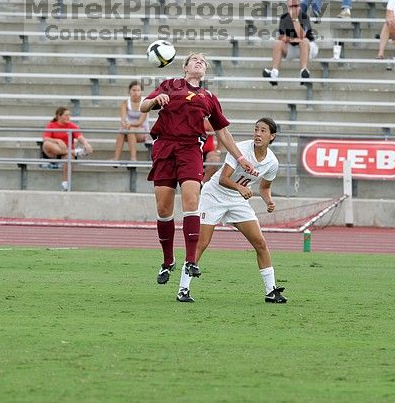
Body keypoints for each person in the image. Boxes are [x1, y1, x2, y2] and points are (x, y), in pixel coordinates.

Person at [139, 52, 257, 287]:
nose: (200, 62)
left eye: (203, 61)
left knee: (191, 200)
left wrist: (240, 157)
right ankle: (167, 261)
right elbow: (143, 106)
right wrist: (155, 100)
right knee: (163, 208)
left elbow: (222, 131)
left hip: (191, 149)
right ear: (185, 67)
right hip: (165, 147)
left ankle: (191, 260)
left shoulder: (209, 96)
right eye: (195, 59)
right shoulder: (168, 85)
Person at [176, 117, 286, 304]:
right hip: (215, 196)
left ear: (272, 136)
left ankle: (271, 291)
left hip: (237, 201)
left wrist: (269, 201)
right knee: (201, 243)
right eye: (256, 129)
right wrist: (241, 188)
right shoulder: (240, 149)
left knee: (260, 243)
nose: (258, 134)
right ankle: (183, 289)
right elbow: (223, 179)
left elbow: (264, 188)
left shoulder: (272, 162)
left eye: (263, 131)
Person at [263, 0, 317, 86]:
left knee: (304, 41)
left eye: (296, 6)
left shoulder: (304, 17)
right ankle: (274, 73)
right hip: (292, 47)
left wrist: (295, 19)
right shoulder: (284, 18)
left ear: (300, 6)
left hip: (308, 48)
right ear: (287, 7)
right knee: (278, 43)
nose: (293, 8)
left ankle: (304, 71)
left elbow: (302, 36)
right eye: (291, 6)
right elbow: (281, 37)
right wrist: (294, 39)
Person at [42, 106, 93, 191]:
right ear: (59, 116)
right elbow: (45, 138)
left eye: (69, 115)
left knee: (69, 157)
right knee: (46, 144)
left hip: (66, 153)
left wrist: (86, 144)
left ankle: (65, 183)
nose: (68, 117)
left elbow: (79, 136)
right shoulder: (51, 125)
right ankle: (75, 152)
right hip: (54, 152)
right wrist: (58, 140)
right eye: (66, 115)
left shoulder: (71, 125)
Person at [112, 80, 150, 162]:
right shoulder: (125, 103)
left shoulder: (145, 103)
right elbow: (123, 119)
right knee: (122, 131)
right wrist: (125, 124)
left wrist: (129, 125)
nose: (136, 92)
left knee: (130, 130)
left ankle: (133, 158)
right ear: (129, 91)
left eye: (138, 90)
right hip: (129, 129)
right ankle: (116, 158)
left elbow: (140, 122)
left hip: (142, 131)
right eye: (133, 90)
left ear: (141, 91)